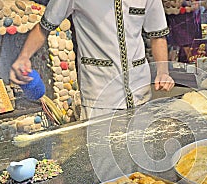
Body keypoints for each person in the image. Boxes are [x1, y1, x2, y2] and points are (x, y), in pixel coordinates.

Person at [10, 0, 175, 119]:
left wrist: (163, 71)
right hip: (100, 97)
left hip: (141, 93)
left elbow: (158, 35)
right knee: (104, 162)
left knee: (141, 159)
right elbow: (44, 27)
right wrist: (23, 57)